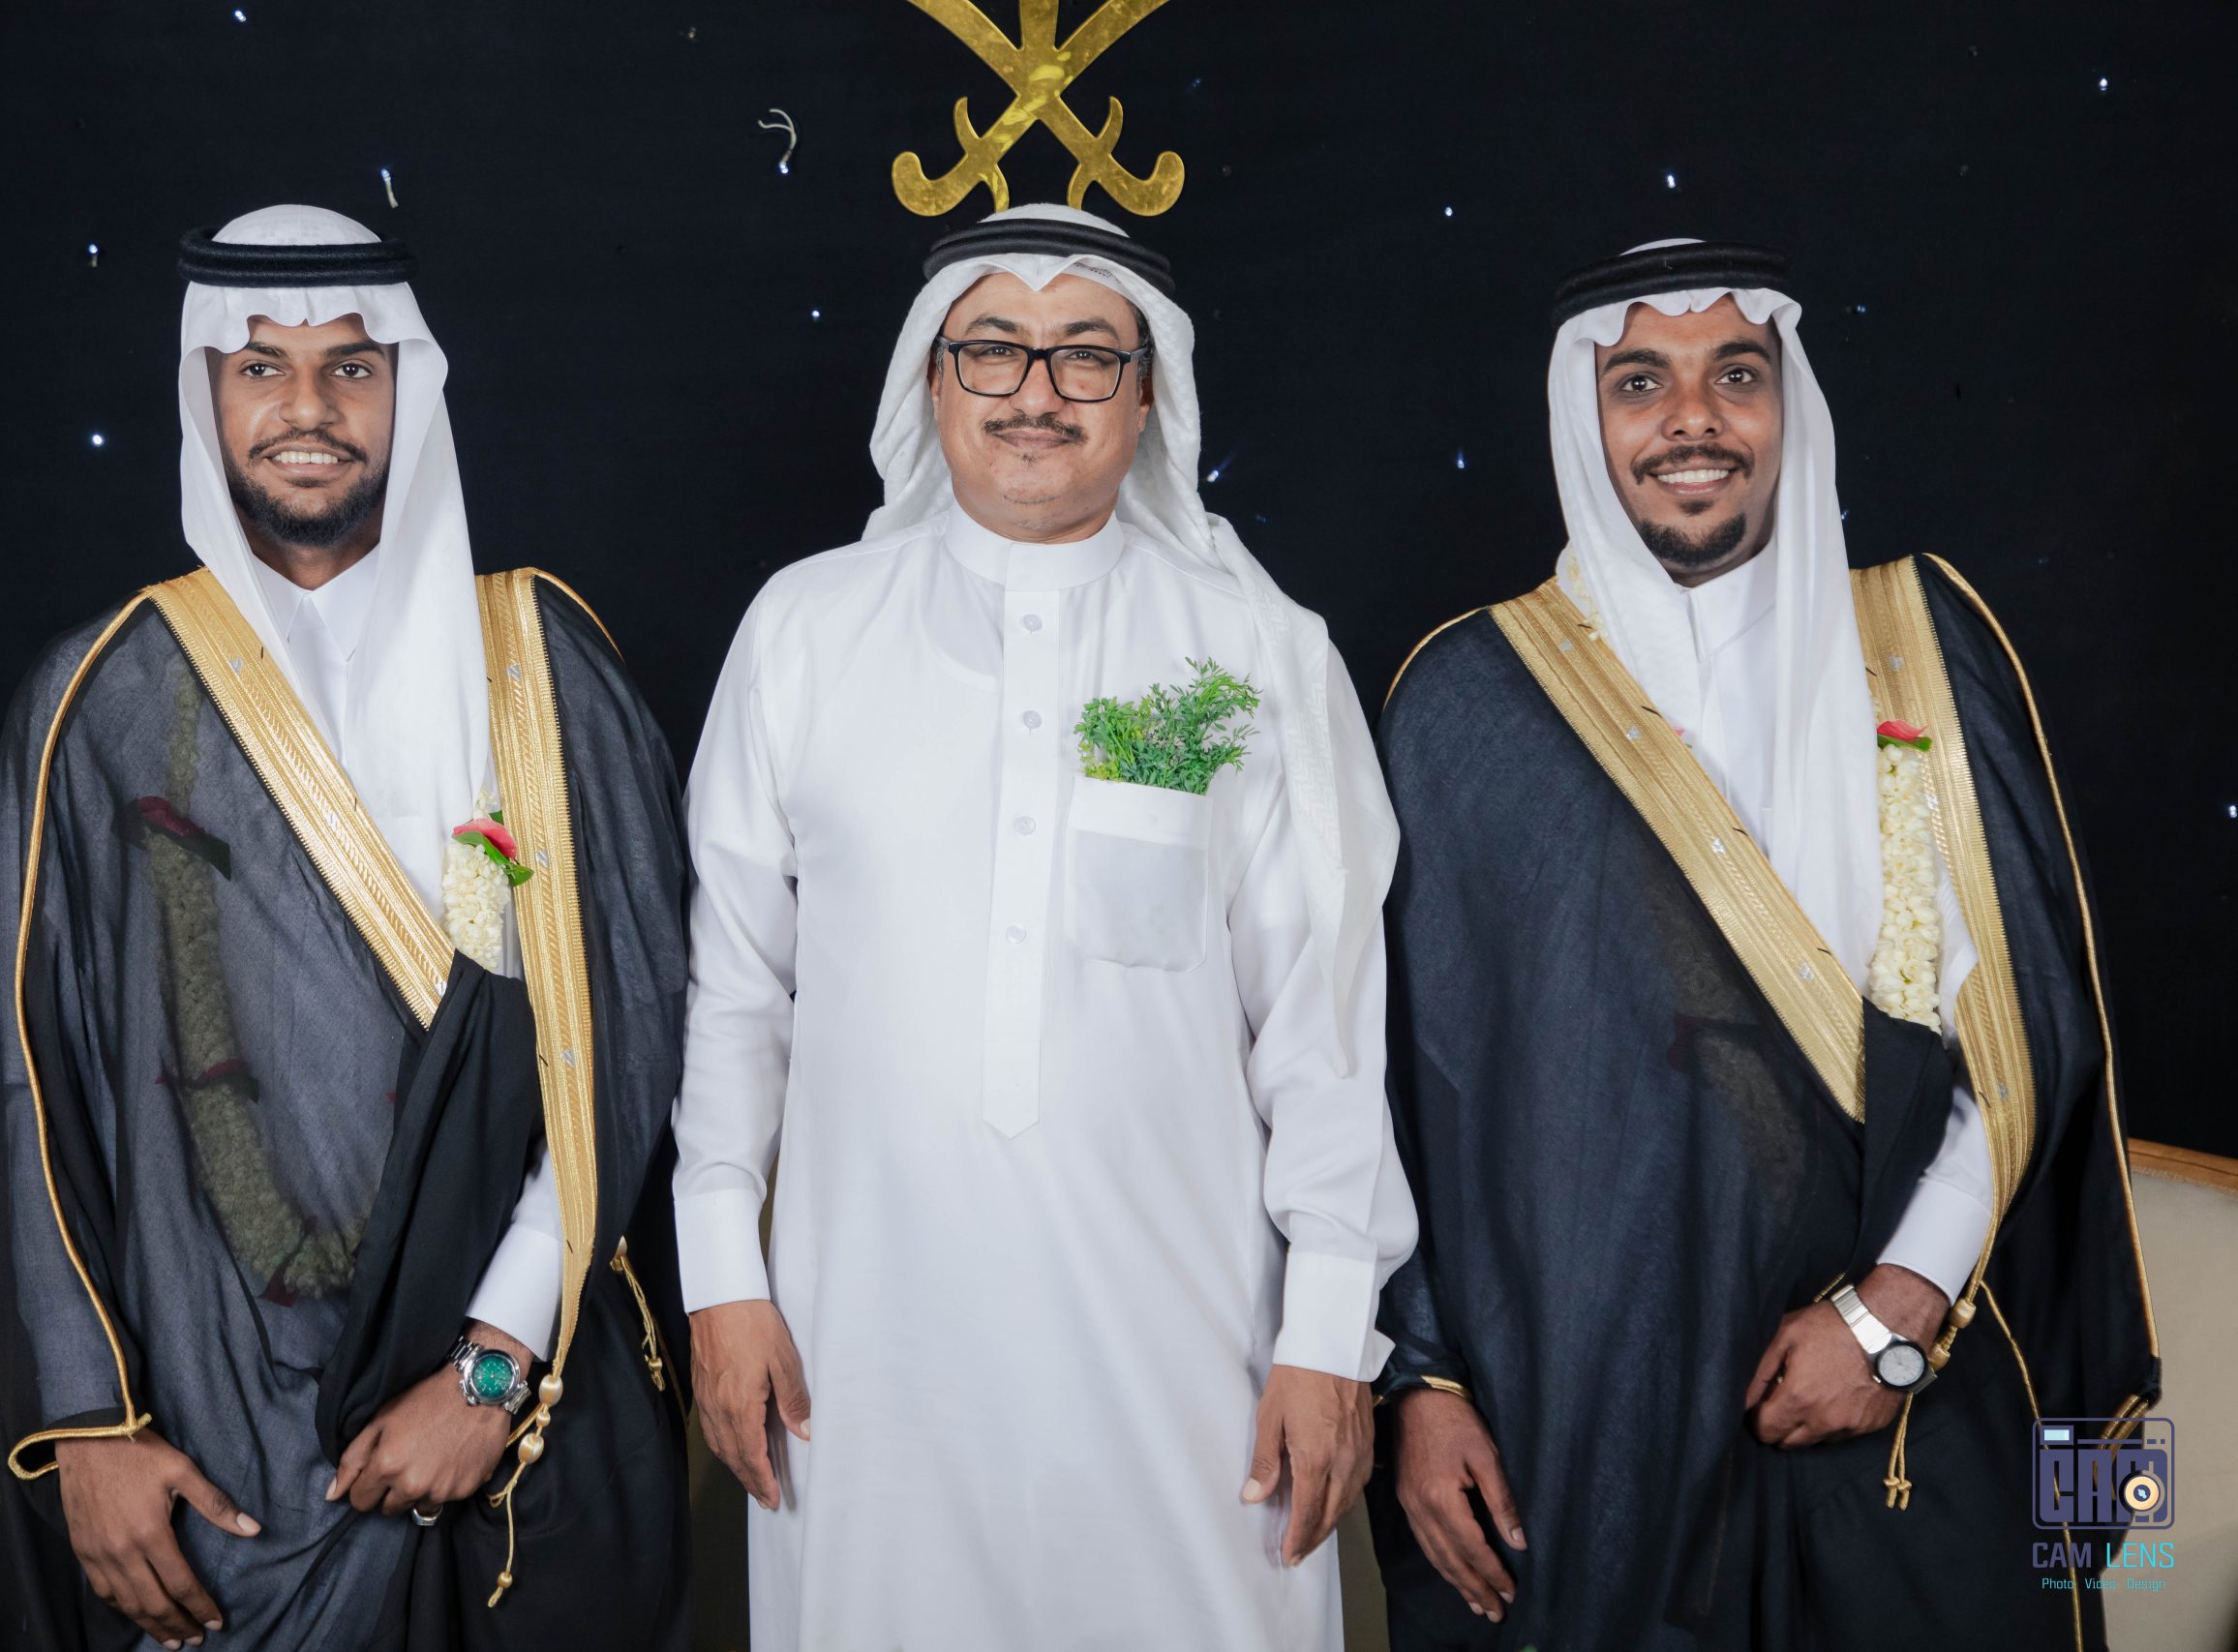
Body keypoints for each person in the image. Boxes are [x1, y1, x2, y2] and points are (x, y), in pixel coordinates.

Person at [1366, 239, 2158, 1649]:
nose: (1693, 420)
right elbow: (1395, 1084)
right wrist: (1416, 1388)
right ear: (1582, 414)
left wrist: (1897, 1310)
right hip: (1594, 1409)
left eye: (1736, 375)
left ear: (1789, 405)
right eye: (1640, 383)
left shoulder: (1921, 639)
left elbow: (2026, 1017)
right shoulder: (1463, 702)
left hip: (1916, 1381)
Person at [672, 204, 1417, 1650]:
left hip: (1192, 1355)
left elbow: (1323, 1022)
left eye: (1086, 354)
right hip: (860, 1351)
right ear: (932, 380)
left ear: (1147, 395)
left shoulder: (1252, 651)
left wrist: (1330, 1330)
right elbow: (734, 989)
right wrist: (721, 1278)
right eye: (994, 348)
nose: (1036, 391)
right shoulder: (804, 631)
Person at [0, 205, 692, 1651]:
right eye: (261, 367)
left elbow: (613, 1044)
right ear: (206, 394)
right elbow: (30, 1087)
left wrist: (490, 1373)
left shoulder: (538, 667)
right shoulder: (99, 700)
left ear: (410, 387)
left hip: (509, 1430)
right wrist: (91, 1425)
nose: (307, 407)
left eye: (352, 367)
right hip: (211, 1437)